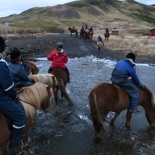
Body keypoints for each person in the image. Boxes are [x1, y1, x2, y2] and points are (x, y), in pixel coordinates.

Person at [0, 37, 26, 154]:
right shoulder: (1, 64)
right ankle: (15, 145)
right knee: (20, 116)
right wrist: (14, 95)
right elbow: (8, 87)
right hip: (1, 98)